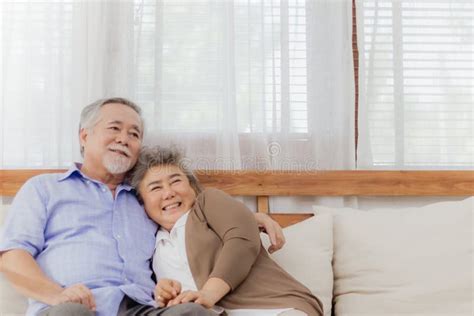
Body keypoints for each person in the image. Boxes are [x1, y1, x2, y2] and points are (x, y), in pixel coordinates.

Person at [0, 98, 285, 316]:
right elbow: (12, 256)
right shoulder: (44, 188)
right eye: (114, 128)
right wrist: (56, 295)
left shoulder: (146, 199)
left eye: (134, 134)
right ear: (84, 137)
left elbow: (194, 218)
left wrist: (250, 218)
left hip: (142, 307)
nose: (124, 138)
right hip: (76, 308)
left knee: (192, 313)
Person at [129, 146, 324, 316]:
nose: (169, 192)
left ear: (193, 187)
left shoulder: (207, 203)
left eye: (176, 181)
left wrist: (208, 294)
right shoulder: (151, 242)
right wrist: (164, 294)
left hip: (272, 306)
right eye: (155, 188)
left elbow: (242, 240)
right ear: (142, 202)